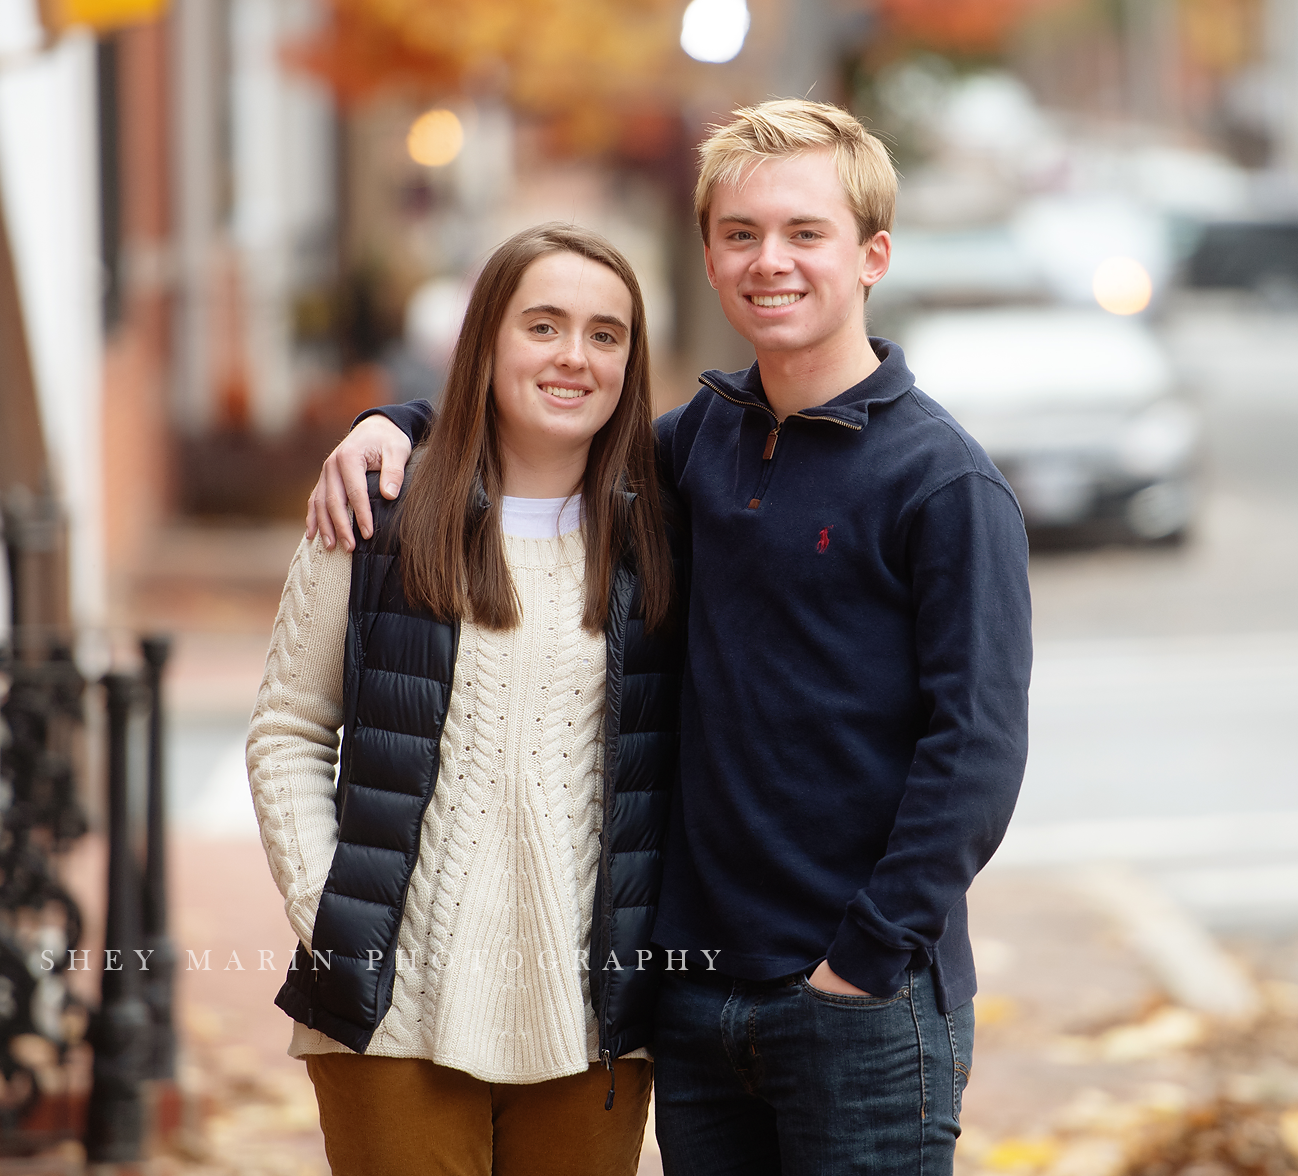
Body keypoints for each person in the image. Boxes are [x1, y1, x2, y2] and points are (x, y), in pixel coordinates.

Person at [307, 100, 1034, 1173]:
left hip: (858, 1009)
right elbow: (548, 425)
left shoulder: (942, 483)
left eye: (803, 234)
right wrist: (399, 425)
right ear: (707, 254)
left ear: (872, 254)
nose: (768, 262)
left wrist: (863, 962)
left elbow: (974, 751)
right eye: (740, 235)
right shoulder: (699, 443)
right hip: (690, 1006)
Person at [249, 223, 681, 1176]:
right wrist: (336, 917)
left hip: (594, 1024)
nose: (575, 355)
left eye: (606, 335)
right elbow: (288, 728)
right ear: (485, 341)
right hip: (390, 1012)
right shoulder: (376, 514)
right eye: (544, 325)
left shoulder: (663, 538)